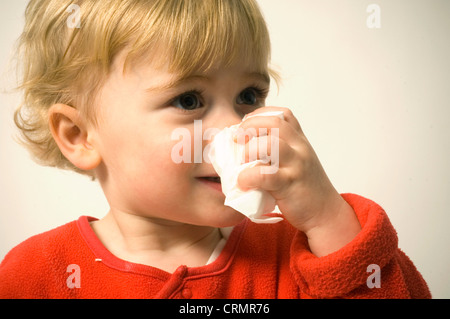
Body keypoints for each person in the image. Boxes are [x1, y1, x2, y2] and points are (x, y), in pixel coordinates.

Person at [0, 0, 430, 298]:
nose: (235, 127)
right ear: (79, 136)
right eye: (189, 100)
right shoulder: (36, 274)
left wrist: (330, 222)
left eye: (249, 95)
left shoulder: (301, 254)